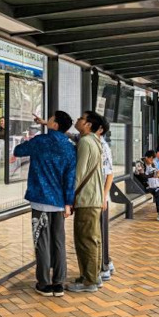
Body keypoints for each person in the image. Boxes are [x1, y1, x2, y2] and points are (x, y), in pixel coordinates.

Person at [14, 111, 76, 297]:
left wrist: (33, 137)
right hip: (59, 202)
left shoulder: (40, 141)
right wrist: (68, 203)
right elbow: (70, 178)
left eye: (50, 119)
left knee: (42, 241)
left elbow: (18, 151)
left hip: (40, 200)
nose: (47, 120)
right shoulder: (69, 147)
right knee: (58, 242)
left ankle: (43, 283)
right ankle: (58, 283)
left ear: (55, 125)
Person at [69, 112, 106, 293]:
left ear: (88, 125)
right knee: (94, 239)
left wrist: (69, 198)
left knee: (85, 241)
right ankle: (94, 276)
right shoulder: (95, 141)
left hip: (87, 198)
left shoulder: (85, 142)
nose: (77, 120)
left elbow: (79, 173)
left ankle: (89, 281)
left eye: (81, 119)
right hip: (95, 198)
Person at [94, 114, 117, 282]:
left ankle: (104, 267)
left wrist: (103, 197)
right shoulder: (91, 142)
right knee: (99, 234)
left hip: (100, 198)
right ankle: (106, 263)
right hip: (97, 197)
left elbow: (109, 174)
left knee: (99, 234)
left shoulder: (102, 146)